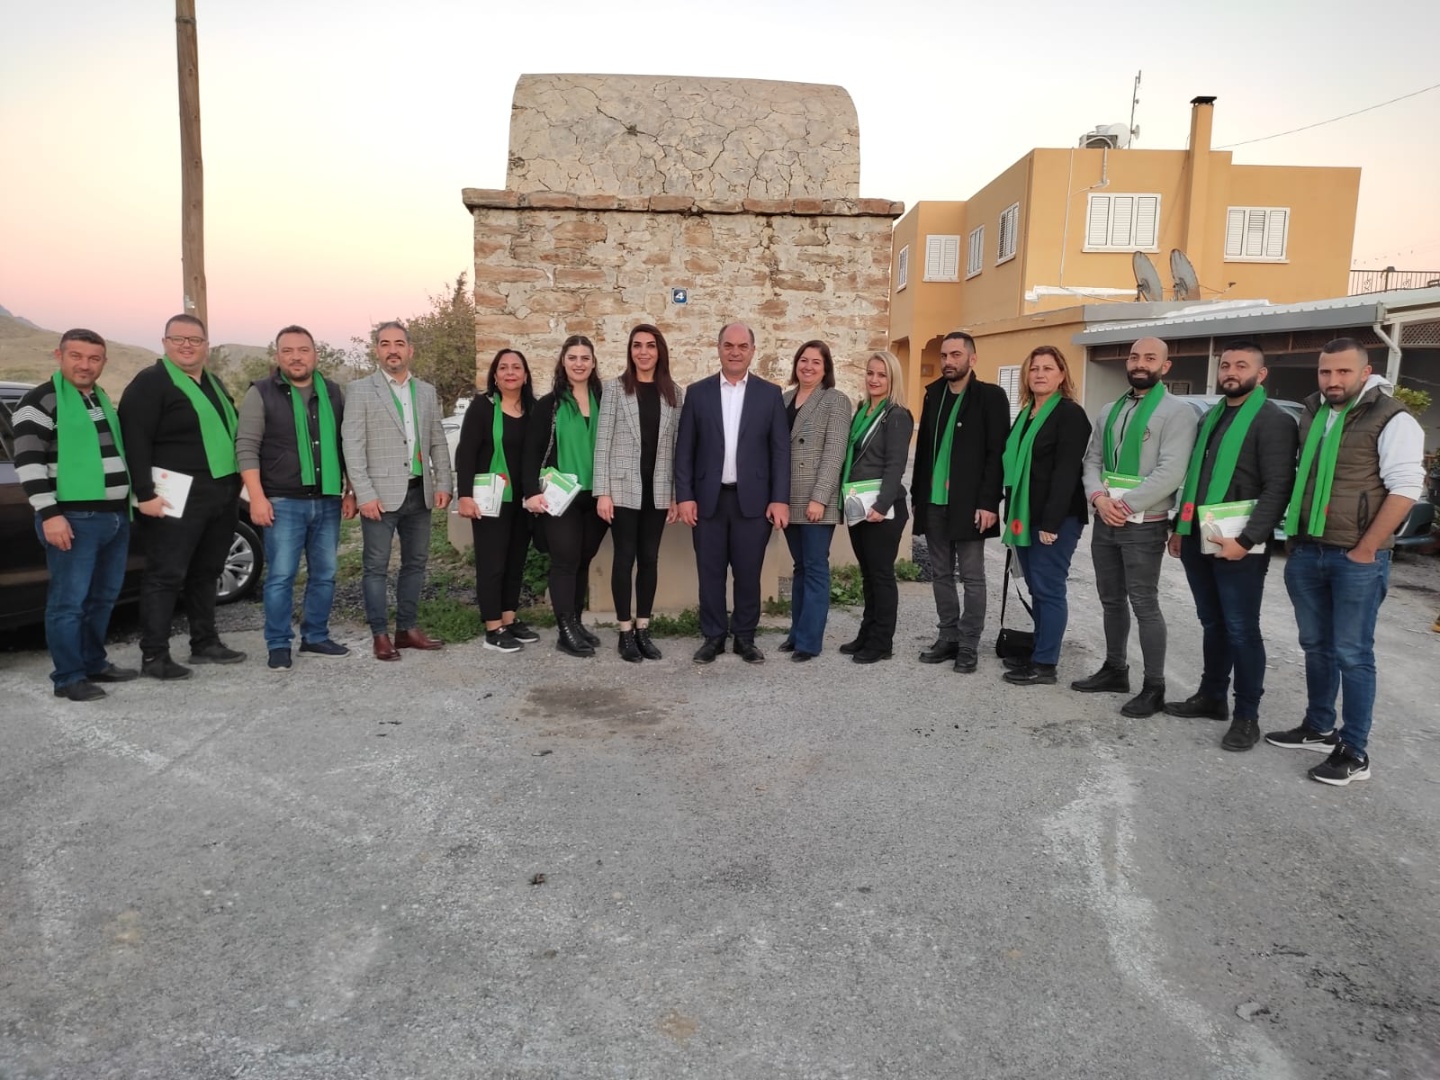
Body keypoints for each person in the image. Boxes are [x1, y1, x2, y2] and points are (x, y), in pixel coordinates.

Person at [1265, 337, 1425, 786]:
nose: (1333, 380)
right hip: (1307, 548)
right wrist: (1294, 539)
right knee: (1316, 645)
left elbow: (1405, 488)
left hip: (1355, 556)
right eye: (1325, 371)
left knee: (1353, 654)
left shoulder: (1391, 417)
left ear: (1365, 372)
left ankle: (1355, 751)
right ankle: (1319, 726)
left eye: (1343, 372)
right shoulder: (1314, 412)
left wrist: (1367, 548)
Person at [1164, 342, 1298, 750]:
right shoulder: (1211, 416)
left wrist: (1247, 540)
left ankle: (1247, 716)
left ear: (1261, 374)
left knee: (1241, 628)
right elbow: (1196, 476)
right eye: (1225, 365)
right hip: (1198, 535)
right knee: (1213, 622)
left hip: (1240, 543)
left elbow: (1279, 487)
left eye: (1242, 365)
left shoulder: (1274, 421)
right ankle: (1212, 696)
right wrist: (1180, 526)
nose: (1231, 372)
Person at [15, 329, 148, 700]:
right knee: (68, 603)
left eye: (94, 358)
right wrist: (50, 514)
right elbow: (28, 463)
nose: (85, 365)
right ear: (59, 356)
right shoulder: (40, 401)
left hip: (114, 516)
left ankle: (93, 662)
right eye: (76, 356)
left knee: (102, 598)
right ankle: (68, 677)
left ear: (103, 362)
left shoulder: (100, 399)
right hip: (73, 518)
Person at [119, 313, 247, 679]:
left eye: (195, 340)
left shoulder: (212, 381)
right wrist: (144, 494)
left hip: (220, 492)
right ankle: (154, 656)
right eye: (179, 339)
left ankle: (204, 642)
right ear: (165, 343)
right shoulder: (150, 383)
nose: (187, 345)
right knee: (165, 574)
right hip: (174, 494)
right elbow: (135, 441)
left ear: (206, 345)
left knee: (207, 571)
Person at [1074, 336, 1196, 716]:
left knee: (1144, 603)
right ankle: (1115, 669)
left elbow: (1171, 471)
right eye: (1134, 357)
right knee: (1110, 599)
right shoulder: (1110, 410)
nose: (1140, 363)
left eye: (1150, 358)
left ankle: (1154, 686)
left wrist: (1124, 505)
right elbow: (1092, 460)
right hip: (1106, 517)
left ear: (1165, 366)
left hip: (1143, 523)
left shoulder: (1178, 412)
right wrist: (1099, 499)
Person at [236, 325, 357, 671]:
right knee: (281, 576)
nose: (296, 357)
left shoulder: (332, 392)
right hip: (282, 501)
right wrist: (256, 498)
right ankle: (278, 643)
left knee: (325, 574)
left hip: (327, 499)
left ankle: (315, 636)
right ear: (277, 356)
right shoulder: (260, 393)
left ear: (315, 354)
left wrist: (350, 490)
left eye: (303, 350)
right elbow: (246, 447)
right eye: (287, 351)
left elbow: (345, 444)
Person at [674, 321, 790, 665]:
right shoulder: (698, 393)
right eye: (729, 345)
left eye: (742, 346)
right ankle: (713, 637)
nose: (735, 352)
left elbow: (780, 451)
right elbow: (685, 450)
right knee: (710, 573)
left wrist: (779, 498)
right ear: (719, 349)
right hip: (708, 500)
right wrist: (685, 496)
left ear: (753, 351)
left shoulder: (770, 394)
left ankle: (744, 637)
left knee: (748, 573)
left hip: (753, 502)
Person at [341, 320, 453, 661]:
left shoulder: (427, 392)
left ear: (410, 350)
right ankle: (380, 635)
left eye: (399, 344)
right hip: (379, 497)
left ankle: (407, 629)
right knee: (375, 567)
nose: (393, 350)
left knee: (415, 563)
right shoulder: (360, 390)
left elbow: (437, 441)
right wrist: (363, 493)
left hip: (419, 492)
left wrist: (444, 482)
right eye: (385, 344)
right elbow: (352, 446)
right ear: (377, 350)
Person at [909, 331, 1009, 673]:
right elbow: (923, 451)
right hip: (934, 502)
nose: (948, 361)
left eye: (956, 355)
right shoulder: (934, 394)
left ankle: (969, 644)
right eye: (944, 355)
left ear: (972, 359)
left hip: (970, 504)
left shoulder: (990, 397)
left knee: (972, 576)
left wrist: (989, 502)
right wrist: (917, 497)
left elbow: (997, 454)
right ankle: (948, 636)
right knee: (940, 573)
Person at [998, 346, 1092, 687]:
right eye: (1034, 368)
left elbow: (1066, 471)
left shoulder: (1070, 415)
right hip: (1025, 515)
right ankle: (1039, 649)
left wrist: (1051, 524)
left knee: (1049, 588)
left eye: (1048, 368)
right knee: (1036, 586)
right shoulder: (1026, 415)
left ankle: (1045, 664)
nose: (1039, 374)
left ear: (1062, 375)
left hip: (1056, 519)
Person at [594, 324, 683, 662]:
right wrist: (603, 492)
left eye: (650, 346)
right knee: (624, 557)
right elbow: (602, 443)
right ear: (630, 351)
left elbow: (676, 449)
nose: (643, 352)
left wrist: (675, 494)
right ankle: (624, 630)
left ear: (660, 351)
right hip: (622, 489)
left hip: (657, 491)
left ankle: (643, 627)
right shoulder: (614, 390)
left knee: (649, 559)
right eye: (637, 345)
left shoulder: (674, 393)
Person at [523, 335, 609, 658]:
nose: (579, 363)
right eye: (572, 357)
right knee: (565, 560)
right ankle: (565, 630)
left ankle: (576, 621)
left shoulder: (604, 400)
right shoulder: (550, 405)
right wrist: (531, 492)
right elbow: (531, 452)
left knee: (584, 558)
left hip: (597, 494)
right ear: (563, 362)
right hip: (561, 496)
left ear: (593, 363)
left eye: (585, 358)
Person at [454, 348, 539, 653]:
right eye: (503, 367)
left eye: (516, 367)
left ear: (525, 375)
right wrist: (464, 495)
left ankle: (508, 619)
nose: (510, 372)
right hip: (490, 498)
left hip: (522, 499)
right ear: (495, 375)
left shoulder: (533, 409)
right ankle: (493, 628)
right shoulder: (482, 407)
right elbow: (466, 453)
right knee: (492, 564)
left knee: (515, 562)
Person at [778, 340, 851, 662]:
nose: (808, 367)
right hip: (789, 498)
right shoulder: (784, 398)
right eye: (803, 360)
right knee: (800, 567)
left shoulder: (836, 400)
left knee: (815, 567)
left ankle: (809, 642)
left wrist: (820, 498)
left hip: (816, 500)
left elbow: (835, 453)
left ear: (826, 368)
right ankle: (796, 633)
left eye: (816, 362)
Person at [841, 351, 914, 664]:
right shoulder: (862, 410)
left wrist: (882, 505)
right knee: (868, 575)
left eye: (882, 375)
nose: (874, 379)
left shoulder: (897, 415)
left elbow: (895, 464)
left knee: (881, 576)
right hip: (858, 503)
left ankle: (882, 642)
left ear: (892, 378)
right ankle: (867, 633)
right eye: (870, 373)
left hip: (883, 508)